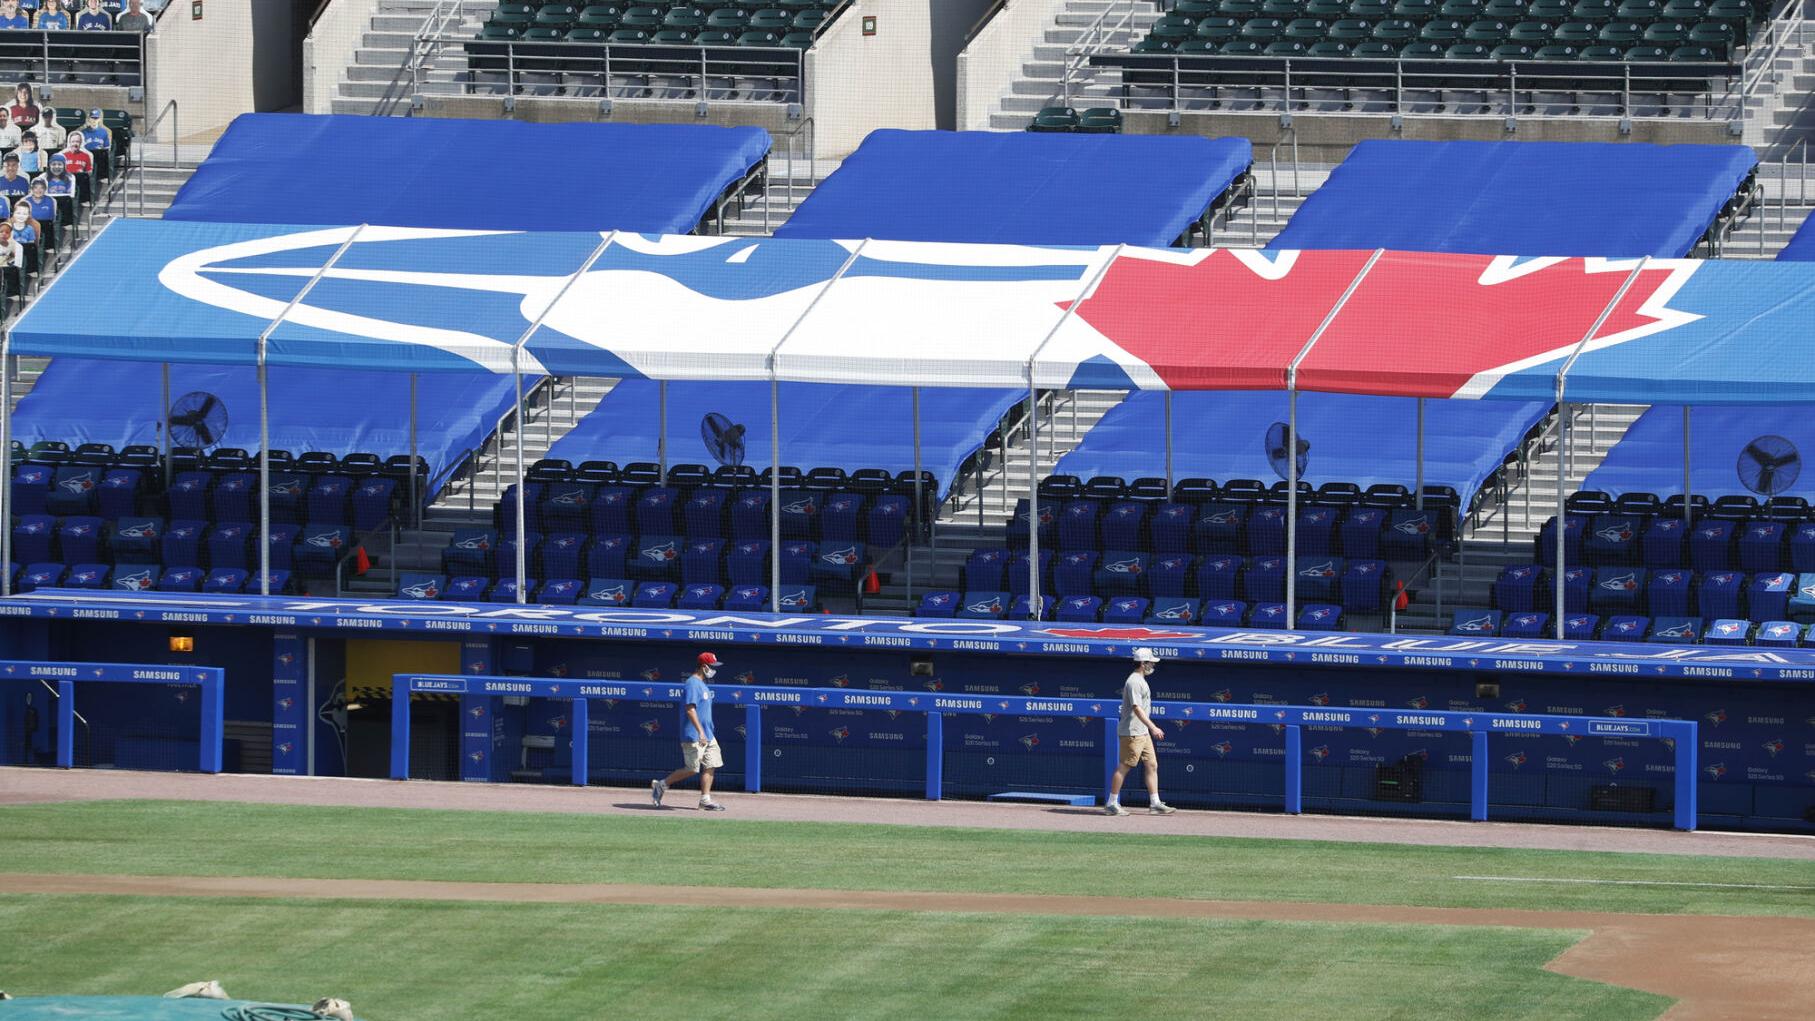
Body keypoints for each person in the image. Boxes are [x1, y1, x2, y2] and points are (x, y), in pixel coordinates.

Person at [1103, 647, 1176, 816]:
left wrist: (1148, 729)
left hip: (1142, 731)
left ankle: (1155, 803)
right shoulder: (1134, 681)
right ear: (1143, 664)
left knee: (1152, 764)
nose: (1153, 665)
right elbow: (1137, 708)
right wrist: (1153, 727)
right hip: (1132, 731)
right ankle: (1111, 803)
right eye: (1150, 662)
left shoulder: (1141, 680)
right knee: (1125, 766)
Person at [651, 651, 727, 812]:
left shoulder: (703, 684)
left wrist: (707, 732)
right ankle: (661, 785)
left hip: (708, 735)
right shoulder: (692, 683)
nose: (714, 670)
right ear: (704, 667)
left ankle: (705, 800)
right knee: (692, 768)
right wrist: (700, 732)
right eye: (712, 666)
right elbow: (690, 709)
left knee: (711, 764)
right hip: (694, 735)